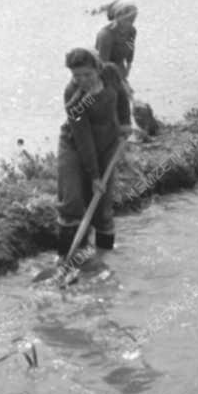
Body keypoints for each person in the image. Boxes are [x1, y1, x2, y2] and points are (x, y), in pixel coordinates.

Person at [57, 48, 132, 260]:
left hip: (108, 142)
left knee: (102, 205)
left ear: (97, 69)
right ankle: (66, 258)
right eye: (76, 76)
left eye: (87, 74)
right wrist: (94, 176)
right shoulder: (73, 96)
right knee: (72, 199)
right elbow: (83, 138)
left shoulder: (110, 73)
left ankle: (102, 259)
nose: (82, 80)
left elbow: (122, 98)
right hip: (74, 145)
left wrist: (125, 124)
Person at [94, 0, 138, 82]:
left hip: (120, 70)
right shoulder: (105, 35)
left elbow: (131, 49)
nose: (130, 22)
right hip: (103, 73)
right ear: (117, 17)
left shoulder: (132, 31)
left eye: (133, 18)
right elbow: (102, 63)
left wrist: (128, 68)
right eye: (127, 19)